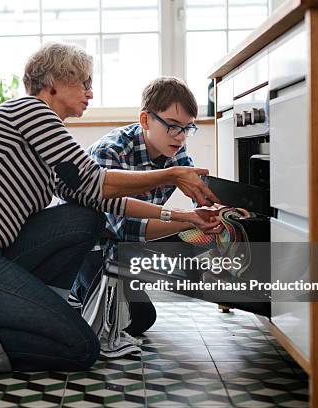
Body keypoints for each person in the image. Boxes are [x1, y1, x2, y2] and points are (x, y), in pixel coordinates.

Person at [0, 42, 221, 382]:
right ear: (53, 83)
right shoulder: (31, 112)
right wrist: (171, 175)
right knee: (81, 348)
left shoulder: (46, 134)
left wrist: (186, 219)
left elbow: (100, 200)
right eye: (83, 82)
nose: (90, 92)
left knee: (84, 216)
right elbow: (97, 182)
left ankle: (48, 310)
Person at [69, 77, 222, 350]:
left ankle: (117, 284)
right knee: (139, 320)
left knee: (201, 239)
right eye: (173, 126)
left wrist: (214, 210)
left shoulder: (175, 149)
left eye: (188, 128)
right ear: (145, 119)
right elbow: (123, 227)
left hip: (125, 247)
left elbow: (198, 196)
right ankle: (72, 291)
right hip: (90, 246)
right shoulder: (111, 152)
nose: (181, 136)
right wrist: (187, 219)